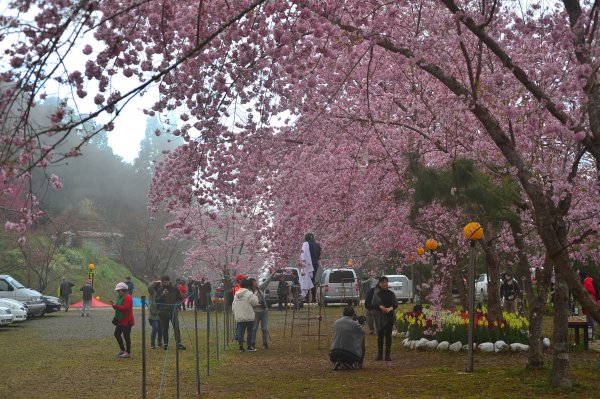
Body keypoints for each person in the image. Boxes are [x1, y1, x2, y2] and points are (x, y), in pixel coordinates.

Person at [371, 276, 398, 361]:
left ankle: (387, 355)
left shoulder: (391, 293)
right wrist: (380, 307)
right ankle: (379, 354)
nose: (384, 284)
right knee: (380, 336)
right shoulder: (377, 294)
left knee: (389, 336)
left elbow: (395, 304)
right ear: (379, 284)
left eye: (386, 282)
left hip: (389, 316)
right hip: (380, 317)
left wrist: (391, 308)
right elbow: (373, 304)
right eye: (382, 282)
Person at [156, 275, 186, 350]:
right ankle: (166, 344)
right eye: (164, 282)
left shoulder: (174, 289)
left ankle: (178, 343)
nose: (165, 283)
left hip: (173, 311)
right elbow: (157, 301)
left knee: (176, 327)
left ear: (169, 281)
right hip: (163, 312)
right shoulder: (160, 289)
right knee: (165, 328)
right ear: (162, 282)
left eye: (166, 282)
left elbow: (179, 299)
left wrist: (177, 305)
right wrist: (162, 295)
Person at [232, 278, 259, 352]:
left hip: (240, 316)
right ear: (248, 285)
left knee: (241, 331)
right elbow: (255, 303)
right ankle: (249, 347)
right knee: (249, 332)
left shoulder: (236, 294)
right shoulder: (249, 293)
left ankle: (241, 347)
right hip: (248, 315)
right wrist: (255, 295)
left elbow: (233, 305)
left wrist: (235, 313)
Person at [110, 282, 134, 358]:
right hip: (120, 320)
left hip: (127, 320)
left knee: (126, 336)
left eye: (118, 290)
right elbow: (118, 308)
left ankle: (128, 352)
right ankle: (123, 350)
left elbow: (126, 309)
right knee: (116, 334)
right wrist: (114, 306)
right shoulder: (119, 297)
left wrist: (116, 306)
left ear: (123, 290)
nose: (117, 292)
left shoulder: (128, 297)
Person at [250, 277, 270, 350]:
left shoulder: (260, 288)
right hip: (255, 312)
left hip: (264, 311)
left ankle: (265, 343)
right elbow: (250, 303)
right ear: (251, 284)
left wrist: (273, 273)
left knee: (264, 328)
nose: (256, 283)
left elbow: (267, 281)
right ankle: (252, 343)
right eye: (254, 282)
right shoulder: (249, 292)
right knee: (254, 328)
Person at [580, 272, 597, 339]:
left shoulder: (587, 283)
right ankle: (590, 334)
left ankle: (591, 335)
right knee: (590, 319)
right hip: (590, 302)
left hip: (589, 303)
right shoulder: (589, 281)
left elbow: (589, 292)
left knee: (590, 320)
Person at [305, 233, 322, 303]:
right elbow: (319, 255)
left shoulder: (306, 244)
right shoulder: (317, 245)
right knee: (313, 280)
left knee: (306, 279)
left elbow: (304, 253)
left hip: (307, 263)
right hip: (315, 264)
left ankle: (307, 297)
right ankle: (313, 298)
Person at [148, 280, 163, 349]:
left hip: (160, 313)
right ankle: (152, 343)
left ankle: (159, 343)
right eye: (159, 286)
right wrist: (155, 282)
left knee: (160, 329)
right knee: (155, 328)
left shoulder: (162, 293)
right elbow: (149, 287)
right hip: (153, 314)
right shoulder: (152, 292)